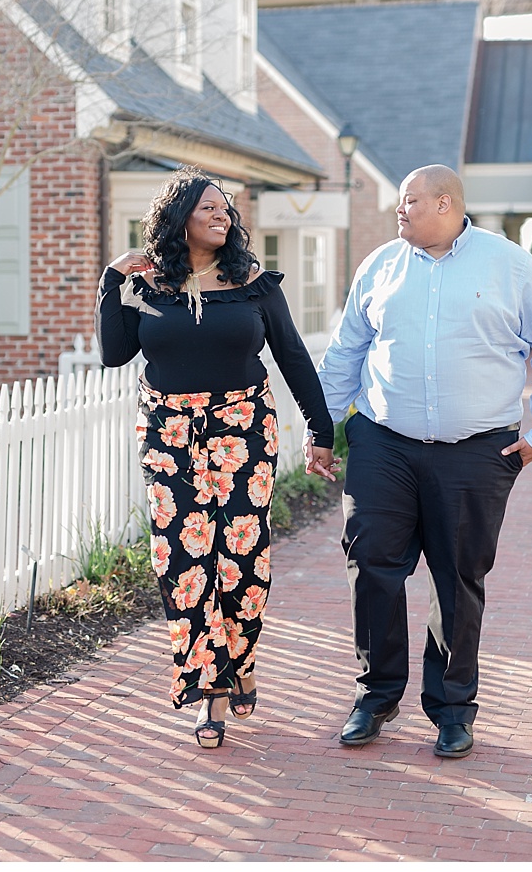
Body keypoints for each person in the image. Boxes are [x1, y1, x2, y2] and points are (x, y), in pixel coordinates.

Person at [307, 164, 532, 759]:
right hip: (383, 442)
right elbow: (348, 350)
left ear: (446, 203)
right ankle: (375, 698)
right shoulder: (379, 265)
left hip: (477, 452)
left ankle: (453, 710)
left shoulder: (509, 265)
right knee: (371, 560)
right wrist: (322, 430)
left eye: (409, 200)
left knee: (457, 577)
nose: (399, 210)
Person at [98, 167, 334, 749]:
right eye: (207, 207)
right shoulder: (149, 286)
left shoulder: (253, 283)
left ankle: (242, 657)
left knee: (243, 556)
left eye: (224, 207)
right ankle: (213, 692)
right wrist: (111, 282)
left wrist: (320, 426)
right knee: (184, 562)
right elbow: (114, 353)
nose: (220, 215)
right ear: (179, 219)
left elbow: (294, 357)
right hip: (169, 435)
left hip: (245, 429)